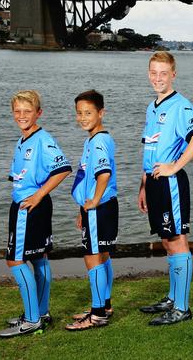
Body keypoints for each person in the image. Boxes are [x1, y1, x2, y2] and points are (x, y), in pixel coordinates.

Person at [137, 51, 193, 325]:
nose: (158, 78)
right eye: (153, 72)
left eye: (163, 73)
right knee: (167, 240)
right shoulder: (152, 107)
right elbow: (151, 148)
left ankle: (183, 307)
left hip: (171, 184)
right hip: (153, 183)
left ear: (173, 75)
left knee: (178, 241)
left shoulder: (181, 105)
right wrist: (143, 185)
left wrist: (174, 167)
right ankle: (172, 296)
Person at [0, 90, 71, 338]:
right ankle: (41, 312)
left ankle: (31, 320)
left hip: (30, 207)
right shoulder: (23, 140)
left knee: (14, 260)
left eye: (27, 111)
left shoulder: (42, 139)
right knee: (39, 259)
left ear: (38, 113)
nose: (21, 115)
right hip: (25, 205)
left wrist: (39, 195)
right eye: (17, 111)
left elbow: (63, 169)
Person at [65, 90, 117, 330]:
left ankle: (97, 315)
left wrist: (94, 202)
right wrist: (83, 209)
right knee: (102, 255)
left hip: (100, 207)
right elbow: (88, 178)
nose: (83, 117)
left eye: (88, 113)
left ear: (101, 113)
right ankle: (104, 305)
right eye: (79, 113)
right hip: (98, 208)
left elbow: (103, 174)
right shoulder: (94, 139)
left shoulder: (98, 141)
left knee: (92, 257)